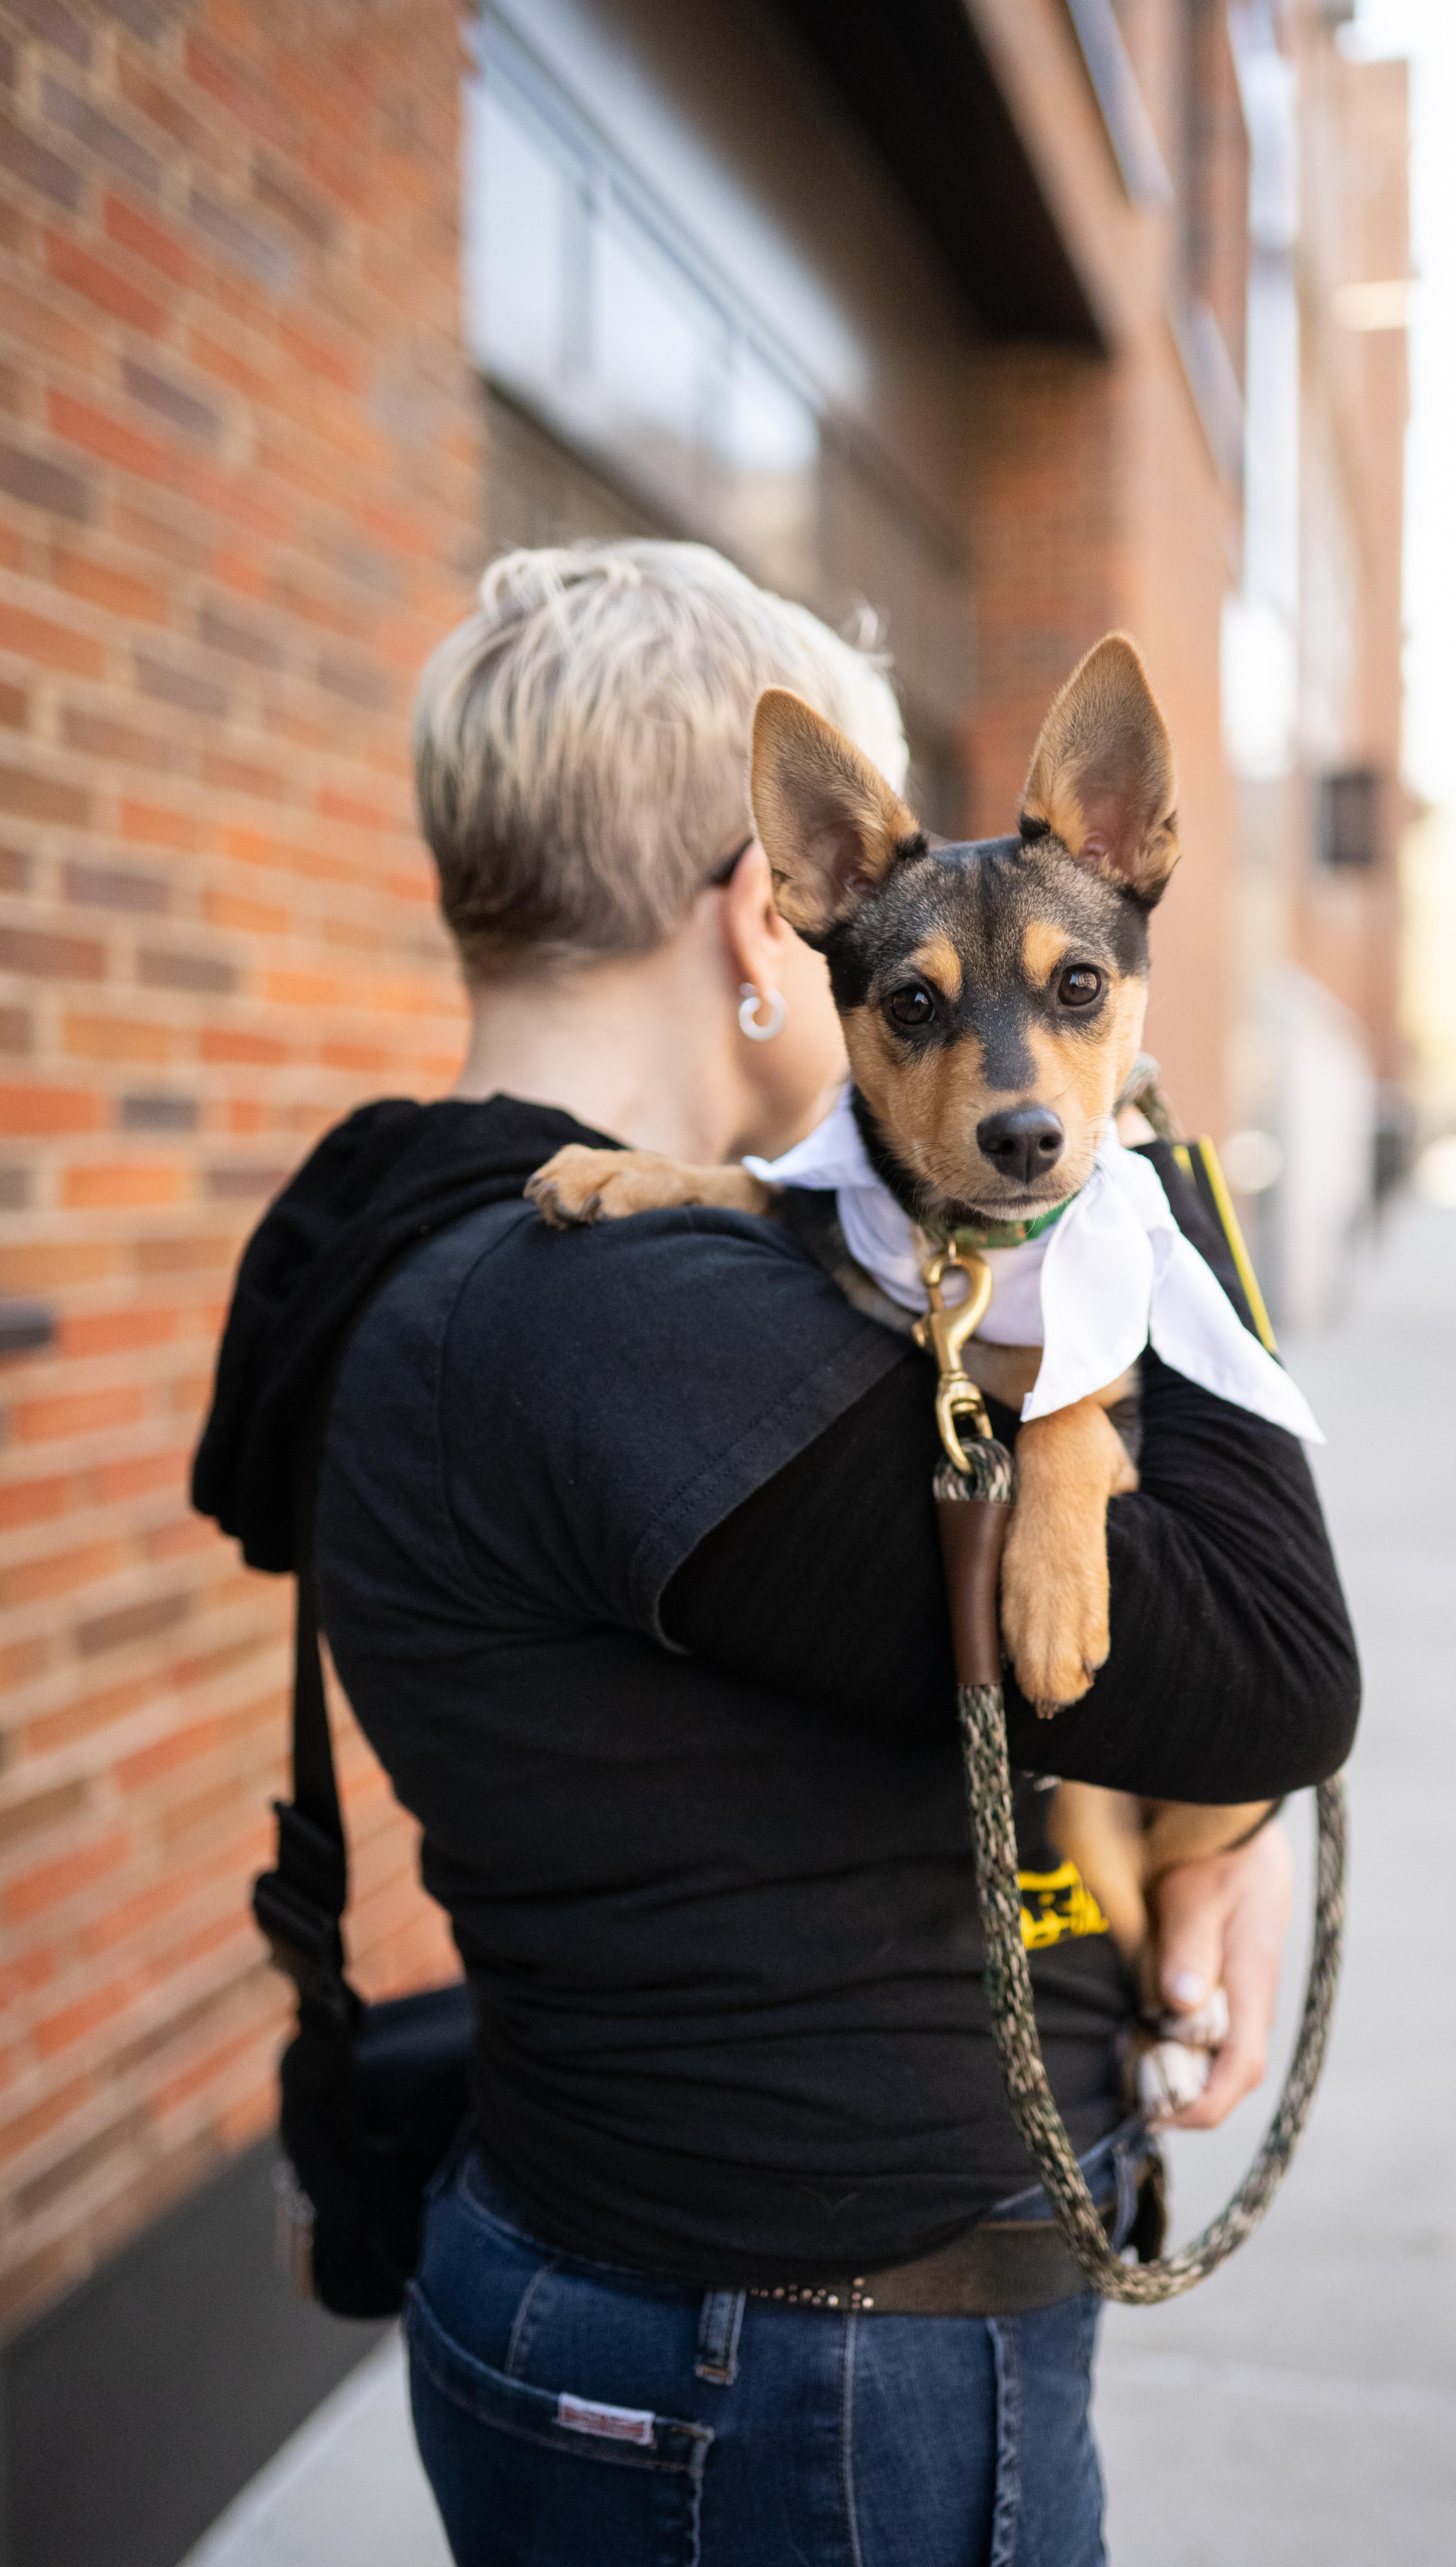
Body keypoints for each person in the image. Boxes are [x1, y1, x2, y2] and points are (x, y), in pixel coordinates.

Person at [197, 542, 1358, 2567]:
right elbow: (1272, 1669)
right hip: (812, 2381)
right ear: (775, 899)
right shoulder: (629, 1317)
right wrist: (1136, 1149)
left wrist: (1223, 1839)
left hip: (618, 2286)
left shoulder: (431, 1254)